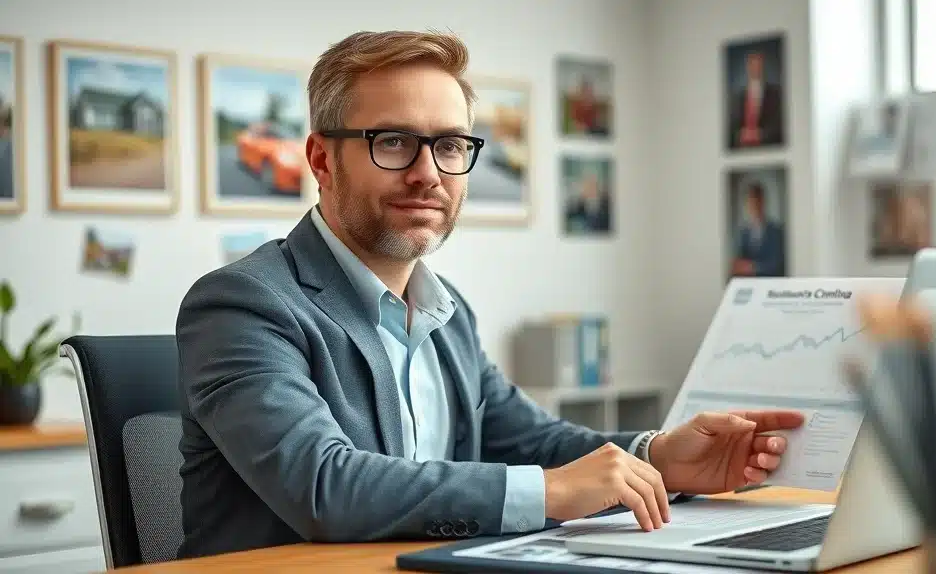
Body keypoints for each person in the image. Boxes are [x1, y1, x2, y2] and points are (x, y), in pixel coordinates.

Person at [175, 29, 805, 560]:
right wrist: (551, 493)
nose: (427, 173)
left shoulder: (446, 312)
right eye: (392, 142)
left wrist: (660, 459)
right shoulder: (242, 304)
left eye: (449, 145)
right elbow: (323, 487)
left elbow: (534, 443)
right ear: (321, 159)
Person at [729, 50, 783, 148]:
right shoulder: (739, 95)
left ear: (762, 67)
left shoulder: (775, 93)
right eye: (752, 65)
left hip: (768, 146)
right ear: (748, 67)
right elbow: (733, 125)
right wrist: (740, 135)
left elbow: (778, 123)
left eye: (758, 65)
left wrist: (761, 135)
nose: (755, 68)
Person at [731, 182, 785, 277]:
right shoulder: (742, 233)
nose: (754, 205)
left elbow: (777, 265)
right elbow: (737, 265)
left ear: (763, 202)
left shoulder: (776, 231)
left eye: (757, 201)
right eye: (751, 202)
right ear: (747, 204)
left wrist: (752, 267)